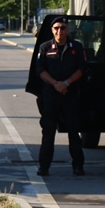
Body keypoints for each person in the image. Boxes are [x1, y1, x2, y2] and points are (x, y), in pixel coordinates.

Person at [34, 15, 86, 176]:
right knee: (48, 132)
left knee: (73, 131)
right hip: (51, 96)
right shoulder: (45, 48)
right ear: (52, 30)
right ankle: (44, 166)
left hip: (70, 95)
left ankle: (78, 166)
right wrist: (56, 84)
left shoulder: (76, 47)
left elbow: (82, 69)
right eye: (56, 28)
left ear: (67, 29)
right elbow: (40, 70)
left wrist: (67, 83)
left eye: (62, 28)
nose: (59, 31)